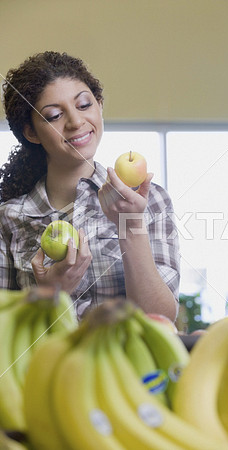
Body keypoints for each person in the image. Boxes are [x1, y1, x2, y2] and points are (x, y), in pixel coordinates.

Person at [0, 51, 180, 321]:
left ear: (99, 105)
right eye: (54, 115)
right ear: (31, 132)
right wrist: (51, 295)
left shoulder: (148, 199)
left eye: (84, 105)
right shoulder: (9, 218)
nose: (75, 122)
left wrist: (130, 226)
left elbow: (160, 318)